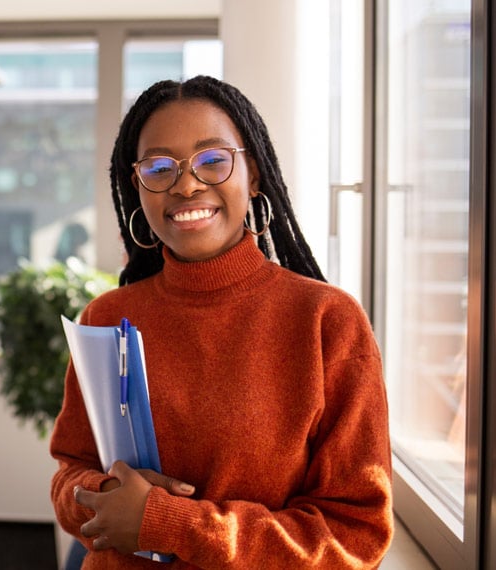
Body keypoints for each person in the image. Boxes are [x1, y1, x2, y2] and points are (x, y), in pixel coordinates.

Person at [50, 76, 393, 569]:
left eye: (212, 160)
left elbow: (355, 535)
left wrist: (167, 522)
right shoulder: (107, 317)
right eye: (159, 167)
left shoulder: (326, 321)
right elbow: (69, 473)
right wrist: (105, 495)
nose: (186, 184)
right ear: (138, 187)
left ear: (252, 173)